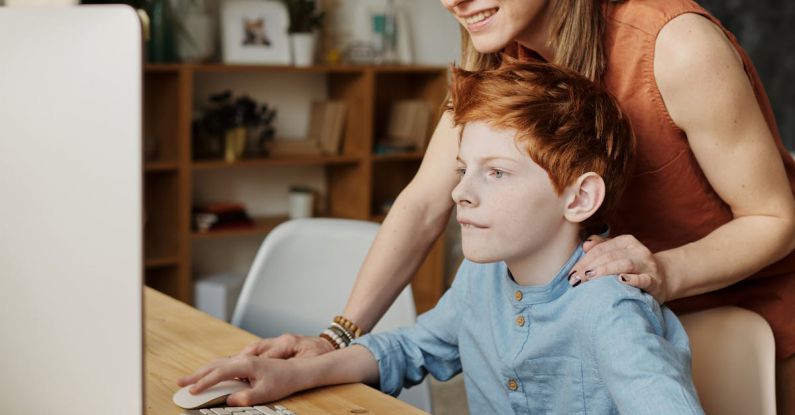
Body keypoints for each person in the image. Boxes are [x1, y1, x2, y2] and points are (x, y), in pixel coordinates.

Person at [200, 0, 795, 410]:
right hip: (596, 302)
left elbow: (774, 218)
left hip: (745, 314)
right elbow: (424, 202)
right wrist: (332, 340)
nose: (451, 0)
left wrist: (662, 273)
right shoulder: (503, 63)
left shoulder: (676, 45)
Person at [179, 61, 705, 413]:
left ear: (578, 198)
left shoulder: (608, 310)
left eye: (495, 172)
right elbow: (412, 348)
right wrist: (294, 377)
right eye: (462, 169)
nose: (460, 193)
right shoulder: (479, 278)